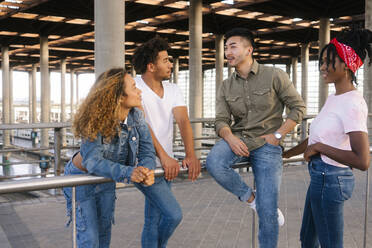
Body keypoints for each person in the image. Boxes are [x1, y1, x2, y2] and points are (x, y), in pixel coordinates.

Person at [205, 27, 306, 248]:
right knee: (213, 162)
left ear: (249, 49)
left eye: (232, 46)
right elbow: (221, 120)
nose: (227, 52)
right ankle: (251, 199)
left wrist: (278, 134)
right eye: (225, 48)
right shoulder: (225, 85)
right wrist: (230, 138)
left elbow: (297, 108)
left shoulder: (274, 75)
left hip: (267, 144)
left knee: (268, 213)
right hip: (238, 139)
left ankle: (263, 208)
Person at [283, 29, 372, 248]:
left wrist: (320, 148)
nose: (322, 67)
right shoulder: (335, 98)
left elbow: (362, 160)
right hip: (321, 177)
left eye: (328, 61)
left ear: (346, 66)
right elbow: (316, 139)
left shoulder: (352, 103)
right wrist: (285, 154)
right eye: (322, 61)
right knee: (308, 239)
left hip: (331, 179)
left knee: (330, 243)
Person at [63, 68, 156, 248]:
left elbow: (147, 151)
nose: (140, 91)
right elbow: (92, 161)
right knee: (89, 239)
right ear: (120, 96)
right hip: (81, 180)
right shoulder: (96, 118)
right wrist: (130, 172)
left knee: (104, 236)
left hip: (106, 178)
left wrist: (146, 169)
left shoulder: (137, 116)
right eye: (134, 87)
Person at [132, 36, 201, 248]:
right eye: (166, 60)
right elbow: (142, 126)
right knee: (173, 214)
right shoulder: (134, 86)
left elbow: (183, 120)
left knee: (153, 219)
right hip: (143, 164)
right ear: (151, 66)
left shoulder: (173, 89)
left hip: (166, 164)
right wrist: (164, 157)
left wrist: (190, 155)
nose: (171, 64)